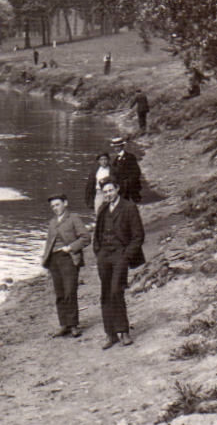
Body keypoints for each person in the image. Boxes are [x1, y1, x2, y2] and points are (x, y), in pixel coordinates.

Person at [93, 180, 146, 348]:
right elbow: (97, 234)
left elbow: (138, 236)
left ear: (117, 188)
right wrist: (98, 251)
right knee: (106, 293)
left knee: (116, 290)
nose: (108, 194)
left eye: (110, 190)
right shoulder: (102, 208)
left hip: (120, 256)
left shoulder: (129, 207)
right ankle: (110, 334)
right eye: (105, 192)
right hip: (104, 256)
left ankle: (123, 332)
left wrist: (126, 256)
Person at [41, 193, 90, 338]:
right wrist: (45, 260)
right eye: (53, 206)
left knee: (70, 292)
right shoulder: (52, 222)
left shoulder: (73, 218)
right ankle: (64, 325)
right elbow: (48, 243)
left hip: (68, 258)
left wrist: (70, 247)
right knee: (60, 293)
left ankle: (74, 325)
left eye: (57, 204)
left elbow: (86, 238)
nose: (55, 208)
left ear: (65, 203)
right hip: (54, 260)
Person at [110, 136, 143, 203]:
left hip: (130, 188)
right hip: (121, 188)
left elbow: (136, 172)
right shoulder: (115, 160)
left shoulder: (130, 157)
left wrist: (128, 183)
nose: (117, 149)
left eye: (118, 146)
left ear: (122, 146)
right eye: (115, 147)